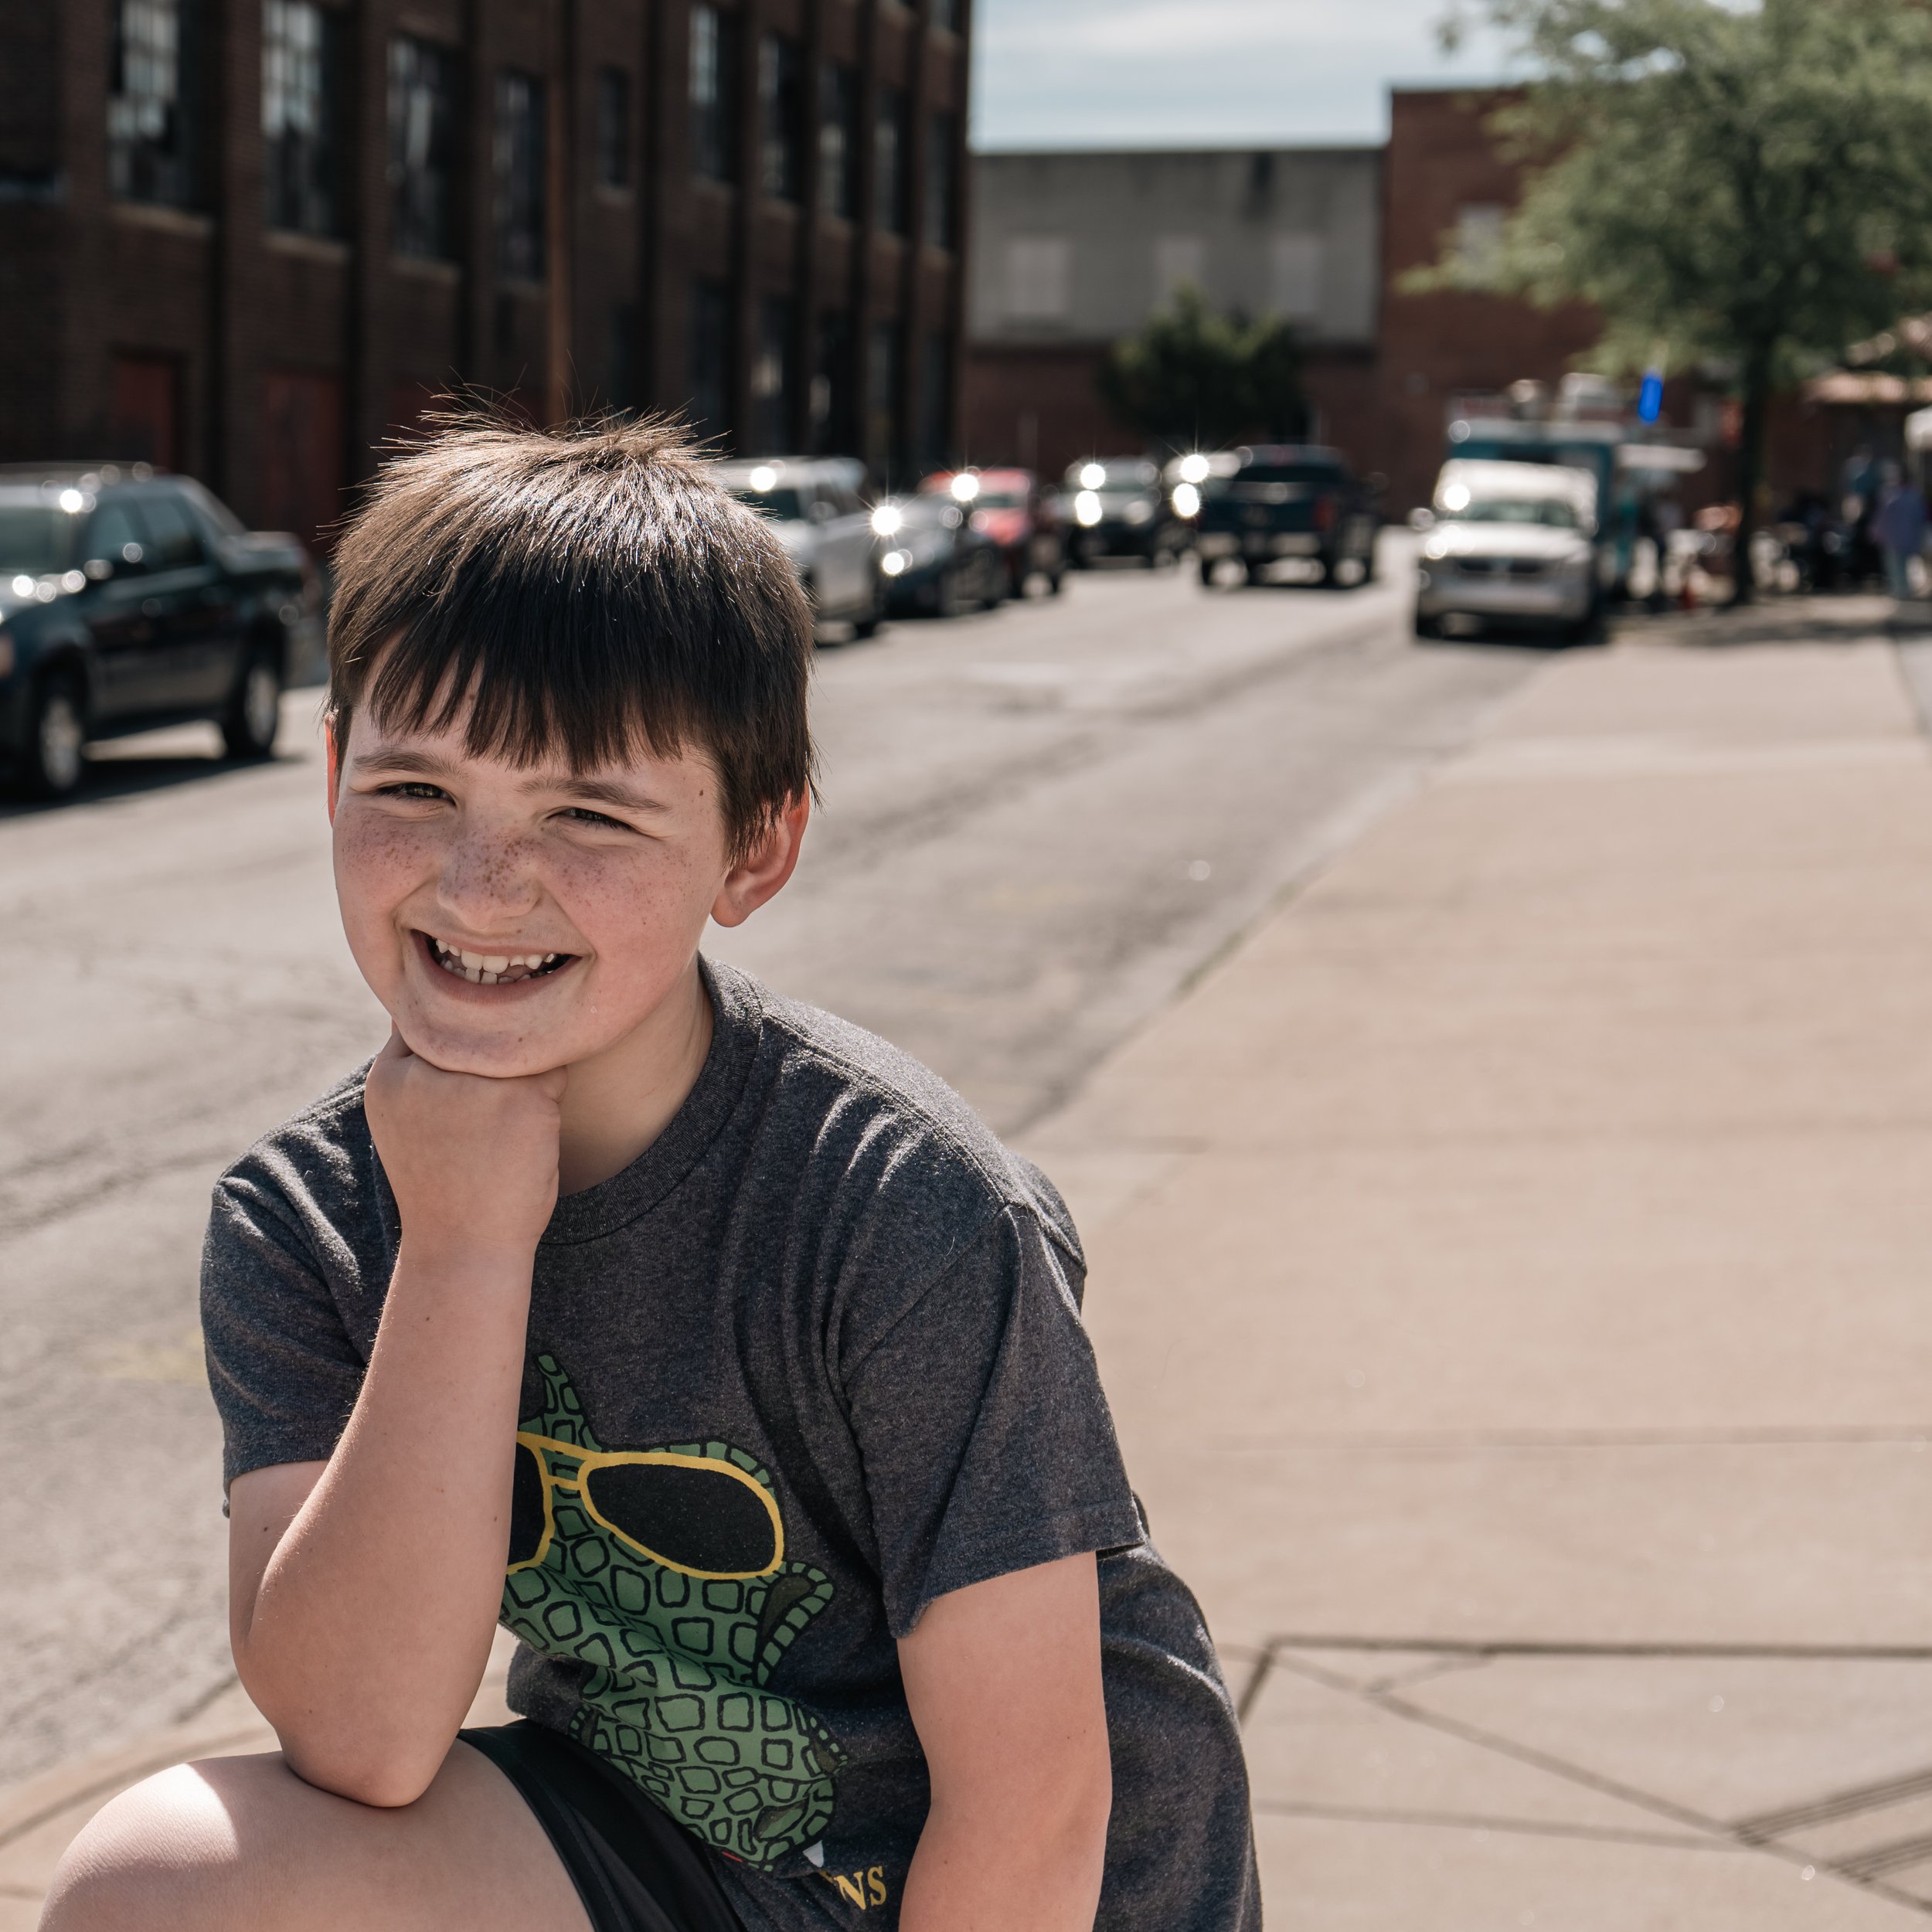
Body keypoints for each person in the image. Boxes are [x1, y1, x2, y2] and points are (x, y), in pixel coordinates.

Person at [38, 418, 1260, 1932]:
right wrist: (463, 1245)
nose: (480, 884)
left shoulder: (900, 1204)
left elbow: (1036, 1800)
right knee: (158, 1884)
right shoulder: (306, 1218)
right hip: (662, 1836)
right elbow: (359, 1737)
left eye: (589, 813)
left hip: (1031, 1884)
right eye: (416, 788)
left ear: (753, 848)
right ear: (333, 767)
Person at [1875, 461, 1927, 600]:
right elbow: (1921, 517)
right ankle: (1904, 590)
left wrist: (1877, 532)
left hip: (1894, 537)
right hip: (1908, 536)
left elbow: (1882, 516)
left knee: (1896, 565)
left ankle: (1901, 590)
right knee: (1904, 565)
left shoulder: (1891, 496)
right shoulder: (1914, 496)